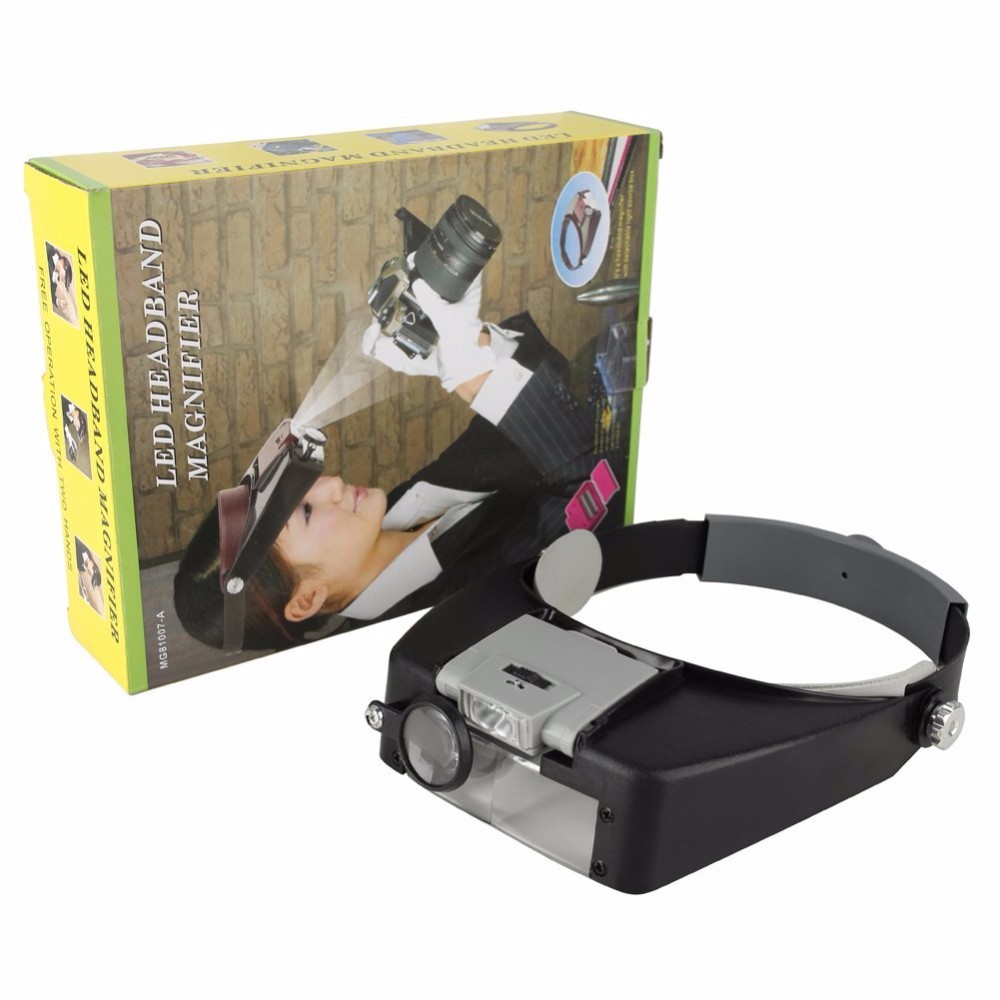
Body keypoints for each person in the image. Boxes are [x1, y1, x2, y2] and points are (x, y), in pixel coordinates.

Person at [174, 275, 598, 651]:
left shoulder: (402, 509)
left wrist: (477, 346)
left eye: (301, 488)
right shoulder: (453, 619)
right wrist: (478, 378)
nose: (331, 483)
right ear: (307, 599)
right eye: (305, 512)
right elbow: (597, 491)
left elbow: (546, 419)